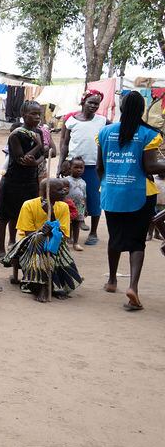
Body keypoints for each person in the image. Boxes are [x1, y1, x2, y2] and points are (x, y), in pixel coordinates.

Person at [97, 91, 165, 311]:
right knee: (137, 242)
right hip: (140, 193)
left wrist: (109, 183)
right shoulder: (148, 134)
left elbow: (100, 167)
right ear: (142, 110)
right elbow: (151, 167)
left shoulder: (105, 132)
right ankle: (133, 287)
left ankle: (111, 282)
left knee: (115, 237)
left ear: (122, 108)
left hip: (111, 192)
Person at [0, 178, 82, 302]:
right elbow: (28, 234)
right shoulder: (29, 205)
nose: (64, 191)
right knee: (40, 238)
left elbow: (64, 236)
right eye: (59, 189)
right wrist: (42, 231)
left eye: (64, 188)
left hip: (55, 244)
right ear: (46, 192)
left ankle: (44, 284)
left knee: (50, 242)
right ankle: (45, 284)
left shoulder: (64, 206)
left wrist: (52, 214)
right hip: (29, 244)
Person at [0, 101, 46, 258]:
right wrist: (37, 146)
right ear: (24, 116)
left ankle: (13, 242)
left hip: (30, 181)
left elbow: (43, 155)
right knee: (4, 215)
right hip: (12, 181)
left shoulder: (38, 131)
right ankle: (1, 250)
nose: (37, 117)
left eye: (39, 114)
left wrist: (36, 161)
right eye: (33, 114)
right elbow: (21, 160)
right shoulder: (16, 134)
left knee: (21, 214)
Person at [60, 90, 108, 244]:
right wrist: (62, 162)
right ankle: (68, 231)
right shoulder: (71, 121)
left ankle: (93, 233)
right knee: (70, 197)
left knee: (94, 198)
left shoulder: (102, 121)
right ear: (83, 102)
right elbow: (65, 143)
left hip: (94, 166)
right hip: (72, 165)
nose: (94, 106)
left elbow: (114, 133)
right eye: (91, 102)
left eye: (96, 104)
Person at [63, 157, 87, 252]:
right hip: (68, 206)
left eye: (81, 167)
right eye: (76, 167)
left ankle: (76, 243)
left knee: (77, 223)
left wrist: (85, 208)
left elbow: (84, 196)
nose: (79, 169)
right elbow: (61, 192)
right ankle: (65, 241)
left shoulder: (83, 182)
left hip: (80, 206)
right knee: (67, 223)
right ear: (70, 168)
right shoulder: (66, 180)